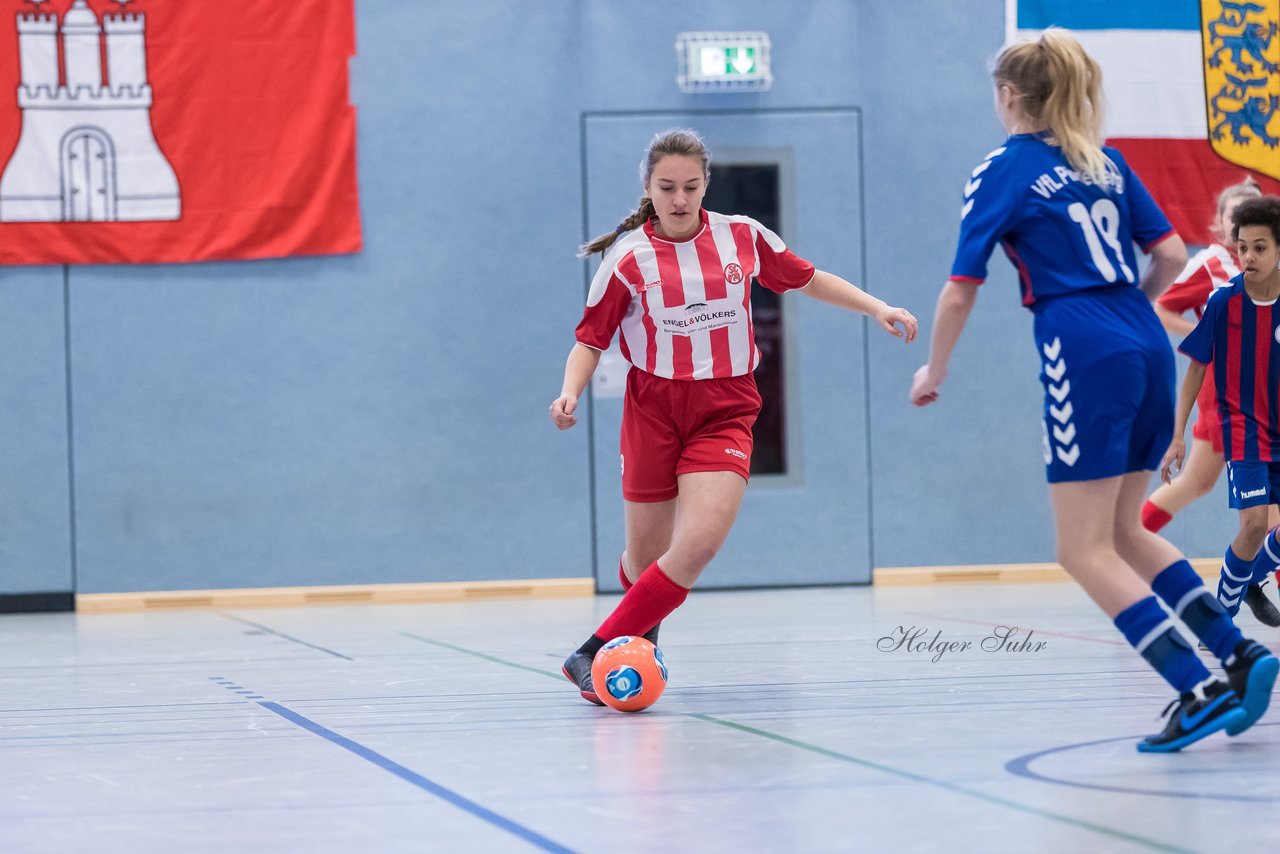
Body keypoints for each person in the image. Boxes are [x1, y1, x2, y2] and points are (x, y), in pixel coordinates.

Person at [909, 28, 1277, 752]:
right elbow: (1170, 255)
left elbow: (960, 288)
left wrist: (935, 370)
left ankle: (1194, 688)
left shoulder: (1002, 170)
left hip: (1080, 342)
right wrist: (1126, 317)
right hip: (1143, 334)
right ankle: (1239, 654)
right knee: (1124, 531)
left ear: (1009, 95)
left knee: (1080, 548)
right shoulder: (1102, 161)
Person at [551, 128, 918, 705]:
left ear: (706, 186)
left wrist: (877, 306)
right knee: (647, 559)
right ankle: (639, 635)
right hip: (651, 409)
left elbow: (808, 277)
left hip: (724, 408)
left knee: (695, 547)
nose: (679, 199)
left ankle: (594, 652)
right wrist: (569, 391)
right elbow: (590, 340)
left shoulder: (742, 237)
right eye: (667, 187)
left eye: (691, 187)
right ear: (648, 186)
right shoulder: (628, 259)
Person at [1141, 179, 1280, 627]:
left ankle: (1242, 584)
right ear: (1222, 226)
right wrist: (1176, 434)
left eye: (1260, 244)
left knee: (1200, 486)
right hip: (1234, 411)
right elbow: (1168, 316)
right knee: (1256, 520)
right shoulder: (1219, 283)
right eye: (1244, 243)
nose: (1250, 253)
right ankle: (1130, 544)